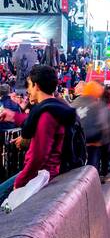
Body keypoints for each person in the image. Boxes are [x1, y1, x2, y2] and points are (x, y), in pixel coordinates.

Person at [0, 65, 77, 207]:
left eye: (29, 85)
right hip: (46, 173)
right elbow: (33, 122)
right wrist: (13, 117)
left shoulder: (46, 114)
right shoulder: (54, 107)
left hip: (42, 175)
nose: (28, 90)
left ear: (36, 85)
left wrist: (20, 181)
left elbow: (38, 156)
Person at [73, 80, 110, 174]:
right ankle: (93, 181)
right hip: (94, 140)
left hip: (80, 139)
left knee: (81, 165)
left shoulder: (74, 103)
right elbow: (103, 123)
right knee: (93, 165)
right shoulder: (97, 104)